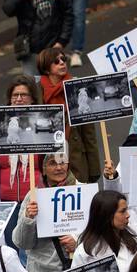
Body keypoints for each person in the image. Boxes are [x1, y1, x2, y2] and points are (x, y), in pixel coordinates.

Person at [0, 76, 42, 226]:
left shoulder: (42, 126)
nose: (19, 99)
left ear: (33, 99)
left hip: (35, 203)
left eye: (24, 95)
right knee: (9, 247)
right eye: (15, 95)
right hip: (5, 205)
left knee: (31, 247)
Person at [37, 46, 100, 186]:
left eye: (63, 59)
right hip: (49, 162)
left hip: (76, 159)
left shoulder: (76, 87)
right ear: (46, 68)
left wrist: (94, 169)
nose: (62, 63)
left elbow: (89, 133)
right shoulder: (37, 91)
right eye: (56, 61)